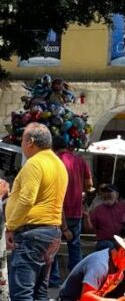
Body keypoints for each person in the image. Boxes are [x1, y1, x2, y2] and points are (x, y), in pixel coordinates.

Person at [5, 123, 68, 301]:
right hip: (51, 233)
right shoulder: (58, 163)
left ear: (30, 141)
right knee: (40, 292)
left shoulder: (34, 163)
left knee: (22, 293)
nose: (22, 145)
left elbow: (26, 200)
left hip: (32, 234)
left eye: (22, 140)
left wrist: (10, 226)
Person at [49, 135, 93, 287]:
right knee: (75, 246)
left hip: (56, 211)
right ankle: (76, 280)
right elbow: (89, 184)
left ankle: (53, 280)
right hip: (75, 210)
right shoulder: (80, 161)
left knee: (54, 246)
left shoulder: (53, 161)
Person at [57, 232, 125, 301]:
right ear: (122, 252)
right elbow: (86, 297)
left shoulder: (124, 265)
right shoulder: (100, 265)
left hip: (98, 297)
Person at [90, 184, 125, 252]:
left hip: (122, 240)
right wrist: (86, 218)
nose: (106, 194)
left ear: (117, 194)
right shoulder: (97, 210)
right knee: (109, 245)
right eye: (104, 192)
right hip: (104, 242)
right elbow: (90, 229)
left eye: (109, 192)